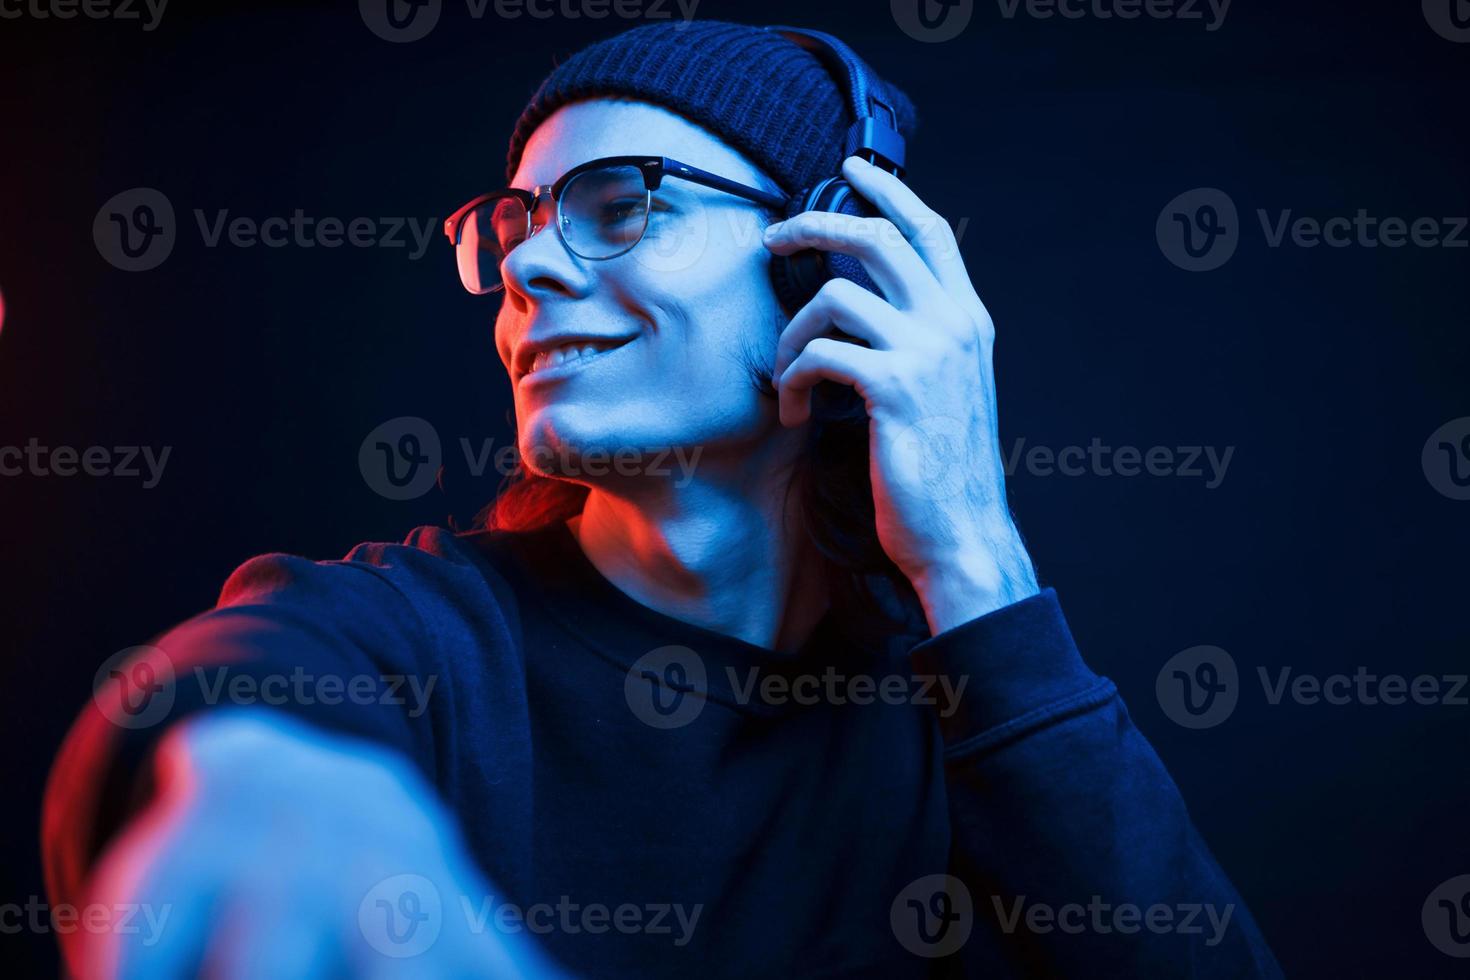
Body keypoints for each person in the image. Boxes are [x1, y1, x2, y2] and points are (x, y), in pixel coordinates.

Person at [42, 20, 1282, 979]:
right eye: (515, 221)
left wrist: (975, 558)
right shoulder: (424, 633)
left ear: (822, 265)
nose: (525, 264)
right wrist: (273, 780)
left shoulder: (958, 713)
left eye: (621, 203)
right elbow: (233, 678)